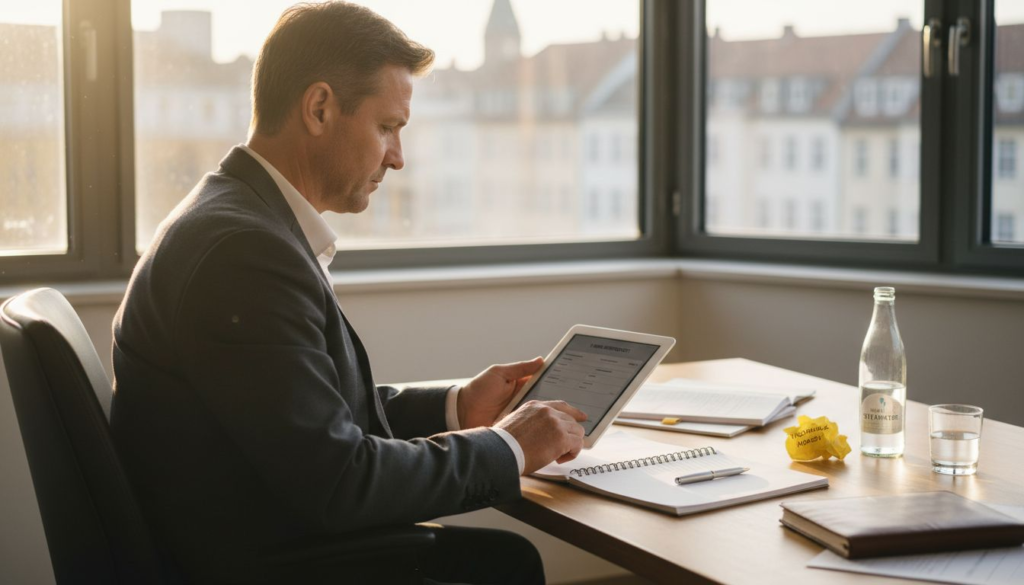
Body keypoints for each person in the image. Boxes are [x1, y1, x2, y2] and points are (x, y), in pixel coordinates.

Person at [110, 2, 587, 584]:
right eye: (387, 127)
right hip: (264, 563)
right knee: (502, 564)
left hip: (254, 536)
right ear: (319, 108)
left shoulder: (239, 222)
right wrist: (507, 447)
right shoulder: (244, 253)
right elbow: (340, 480)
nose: (398, 157)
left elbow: (310, 416)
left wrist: (459, 407)